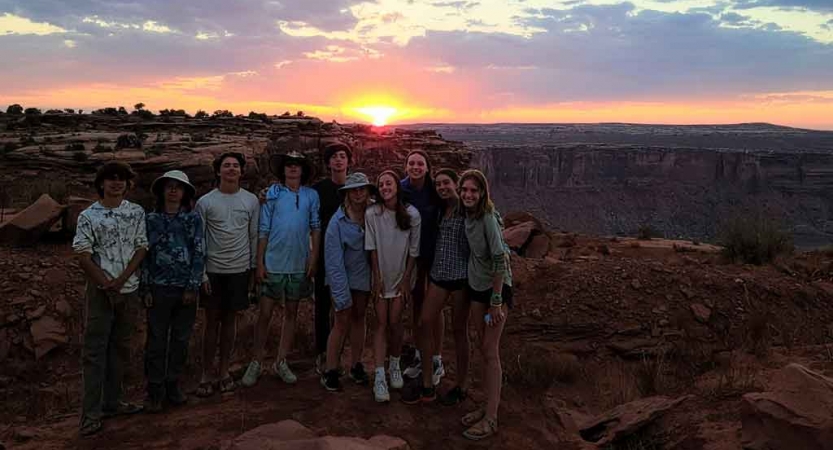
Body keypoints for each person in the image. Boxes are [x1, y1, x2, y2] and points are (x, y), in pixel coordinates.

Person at [73, 161, 148, 436]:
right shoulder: (88, 216)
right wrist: (107, 284)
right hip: (100, 292)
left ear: (128, 184)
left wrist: (122, 280)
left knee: (120, 349)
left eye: (121, 179)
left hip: (128, 289)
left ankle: (113, 402)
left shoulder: (136, 212)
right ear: (101, 184)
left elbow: (141, 247)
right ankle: (89, 415)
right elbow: (82, 253)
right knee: (94, 353)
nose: (116, 183)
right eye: (111, 179)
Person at [242, 151, 320, 386]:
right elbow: (263, 230)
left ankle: (281, 361)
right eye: (289, 165)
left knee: (291, 314)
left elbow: (315, 227)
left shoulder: (311, 195)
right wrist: (260, 263)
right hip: (274, 263)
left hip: (298, 264)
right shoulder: (273, 194)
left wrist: (313, 258)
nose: (293, 168)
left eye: (297, 165)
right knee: (265, 314)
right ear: (283, 169)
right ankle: (256, 362)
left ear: (303, 170)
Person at [403, 169, 471, 405]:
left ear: (456, 184)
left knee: (459, 331)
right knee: (424, 322)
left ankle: (462, 386)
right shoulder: (441, 209)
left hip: (462, 278)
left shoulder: (467, 208)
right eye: (439, 184)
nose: (442, 188)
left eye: (446, 183)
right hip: (439, 275)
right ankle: (428, 383)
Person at [195, 152, 260, 397]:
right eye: (226, 166)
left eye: (235, 166)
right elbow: (199, 240)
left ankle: (223, 371)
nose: (231, 169)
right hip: (213, 271)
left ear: (242, 172)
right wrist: (201, 274)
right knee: (211, 322)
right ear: (218, 171)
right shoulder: (205, 202)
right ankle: (205, 374)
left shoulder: (251, 201)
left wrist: (254, 270)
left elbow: (253, 236)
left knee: (230, 321)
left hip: (239, 269)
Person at [141, 170, 205, 413]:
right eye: (169, 186)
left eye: (178, 187)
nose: (173, 190)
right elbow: (144, 256)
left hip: (184, 289)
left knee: (180, 339)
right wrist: (145, 287)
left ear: (185, 192)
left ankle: (173, 384)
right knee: (156, 341)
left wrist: (192, 285)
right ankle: (154, 389)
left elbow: (199, 253)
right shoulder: (151, 220)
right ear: (162, 191)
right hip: (158, 288)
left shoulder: (192, 220)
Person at [458, 169, 513, 441]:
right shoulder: (467, 215)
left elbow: (500, 258)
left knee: (490, 351)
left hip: (495, 292)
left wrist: (496, 301)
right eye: (464, 190)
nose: (468, 194)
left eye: (474, 190)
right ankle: (486, 406)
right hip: (477, 288)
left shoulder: (487, 217)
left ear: (482, 194)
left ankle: (491, 419)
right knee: (483, 346)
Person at [365, 170, 421, 402]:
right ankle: (379, 375)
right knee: (380, 322)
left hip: (402, 276)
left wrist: (407, 280)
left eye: (389, 183)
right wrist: (377, 278)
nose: (385, 187)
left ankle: (394, 365)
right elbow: (373, 248)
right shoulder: (372, 214)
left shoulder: (411, 214)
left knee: (396, 322)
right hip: (381, 276)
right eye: (381, 184)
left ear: (397, 186)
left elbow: (413, 251)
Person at [320, 172, 375, 391]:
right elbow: (333, 262)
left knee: (360, 318)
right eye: (354, 189)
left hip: (363, 277)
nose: (359, 193)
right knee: (341, 320)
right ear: (347, 193)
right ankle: (331, 370)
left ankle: (355, 365)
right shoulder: (338, 221)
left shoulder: (374, 213)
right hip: (342, 276)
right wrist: (341, 294)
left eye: (362, 188)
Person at [400, 150, 444, 383]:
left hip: (435, 253)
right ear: (406, 167)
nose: (415, 167)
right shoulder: (401, 189)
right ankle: (420, 354)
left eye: (420, 164)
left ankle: (436, 357)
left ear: (427, 168)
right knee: (417, 306)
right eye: (411, 163)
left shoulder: (436, 190)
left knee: (434, 307)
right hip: (410, 256)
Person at [312, 142, 352, 373]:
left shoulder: (356, 187)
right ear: (328, 163)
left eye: (342, 156)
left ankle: (340, 352)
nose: (338, 160)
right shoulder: (318, 190)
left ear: (348, 161)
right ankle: (322, 353)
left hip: (350, 258)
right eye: (334, 157)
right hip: (324, 257)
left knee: (346, 307)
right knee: (323, 306)